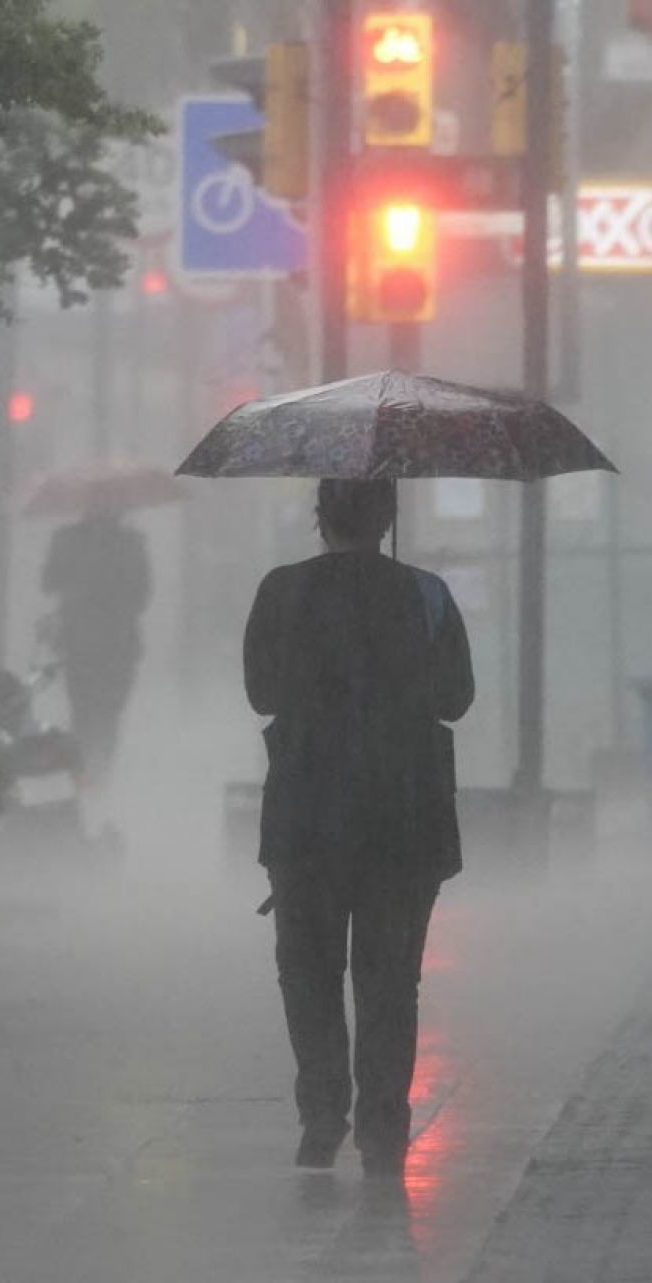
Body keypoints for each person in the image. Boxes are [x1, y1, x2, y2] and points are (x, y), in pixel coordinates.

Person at [242, 479, 474, 1177]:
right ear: (388, 518)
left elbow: (262, 693)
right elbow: (456, 699)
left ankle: (321, 1115)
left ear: (320, 519)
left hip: (305, 818)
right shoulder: (427, 594)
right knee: (390, 979)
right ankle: (382, 1127)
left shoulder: (280, 592)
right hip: (404, 817)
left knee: (308, 974)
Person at [40, 504, 151, 785]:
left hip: (112, 643)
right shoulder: (68, 539)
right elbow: (49, 581)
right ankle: (87, 774)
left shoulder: (131, 543)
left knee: (105, 713)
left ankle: (96, 774)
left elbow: (142, 594)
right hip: (85, 642)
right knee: (88, 712)